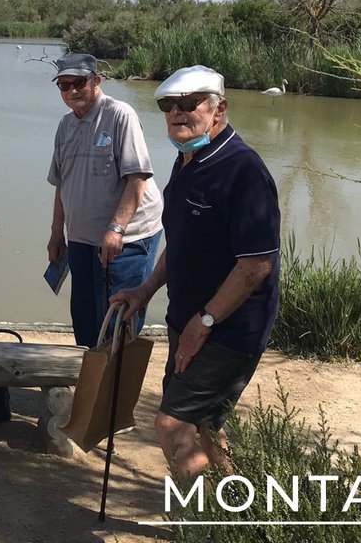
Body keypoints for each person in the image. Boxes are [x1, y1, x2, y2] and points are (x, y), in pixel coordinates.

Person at [110, 65, 280, 479]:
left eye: (189, 105)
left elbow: (256, 264)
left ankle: (201, 521)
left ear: (218, 109)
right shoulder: (186, 161)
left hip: (229, 329)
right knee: (205, 424)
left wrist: (204, 321)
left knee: (171, 424)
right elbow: (181, 241)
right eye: (168, 105)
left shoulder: (244, 171)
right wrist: (146, 289)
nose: (177, 114)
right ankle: (235, 510)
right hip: (188, 320)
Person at [46, 52, 164, 346]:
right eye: (64, 85)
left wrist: (116, 228)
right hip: (81, 239)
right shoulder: (65, 125)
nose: (72, 90)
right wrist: (56, 233)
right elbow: (61, 183)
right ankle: (90, 383)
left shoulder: (119, 115)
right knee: (85, 316)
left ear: (96, 81)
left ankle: (117, 388)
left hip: (128, 238)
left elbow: (137, 178)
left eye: (79, 82)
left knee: (120, 316)